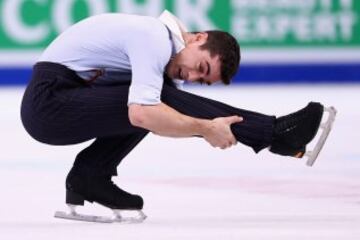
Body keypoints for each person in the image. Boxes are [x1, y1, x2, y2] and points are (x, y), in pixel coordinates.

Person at [20, 10, 334, 221]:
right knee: (153, 102)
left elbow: (150, 113)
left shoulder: (158, 54)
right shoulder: (153, 37)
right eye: (202, 67)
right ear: (197, 38)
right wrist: (205, 128)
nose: (194, 77)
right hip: (48, 102)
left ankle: (89, 177)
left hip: (61, 99)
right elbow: (143, 115)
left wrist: (205, 127)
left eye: (202, 80)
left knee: (155, 97)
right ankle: (275, 133)